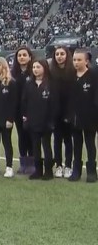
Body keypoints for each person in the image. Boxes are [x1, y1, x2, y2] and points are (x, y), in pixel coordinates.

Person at [22, 60, 58, 180]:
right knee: (35, 146)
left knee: (46, 146)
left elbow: (54, 104)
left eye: (38, 67)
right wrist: (25, 116)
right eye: (33, 67)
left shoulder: (51, 84)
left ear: (44, 68)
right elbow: (24, 102)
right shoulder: (29, 84)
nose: (35, 69)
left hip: (46, 121)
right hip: (33, 121)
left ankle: (48, 171)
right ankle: (38, 170)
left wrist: (51, 121)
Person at [67, 49, 97, 182]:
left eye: (79, 60)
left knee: (90, 144)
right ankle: (76, 171)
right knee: (77, 144)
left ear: (86, 61)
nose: (76, 62)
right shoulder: (70, 76)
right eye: (74, 60)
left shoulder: (94, 75)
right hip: (74, 118)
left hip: (90, 117)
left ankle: (91, 172)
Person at [50, 47, 74, 179]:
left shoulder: (72, 71)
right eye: (57, 54)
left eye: (62, 54)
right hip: (55, 112)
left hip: (68, 112)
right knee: (57, 140)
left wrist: (70, 113)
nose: (59, 56)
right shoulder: (51, 72)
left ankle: (68, 166)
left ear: (67, 55)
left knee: (68, 140)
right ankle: (58, 165)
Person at [12, 46, 34, 174]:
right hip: (17, 111)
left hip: (31, 110)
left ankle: (32, 163)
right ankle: (23, 163)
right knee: (21, 136)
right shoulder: (13, 73)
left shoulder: (34, 71)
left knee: (31, 136)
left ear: (30, 57)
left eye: (24, 55)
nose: (22, 57)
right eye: (19, 55)